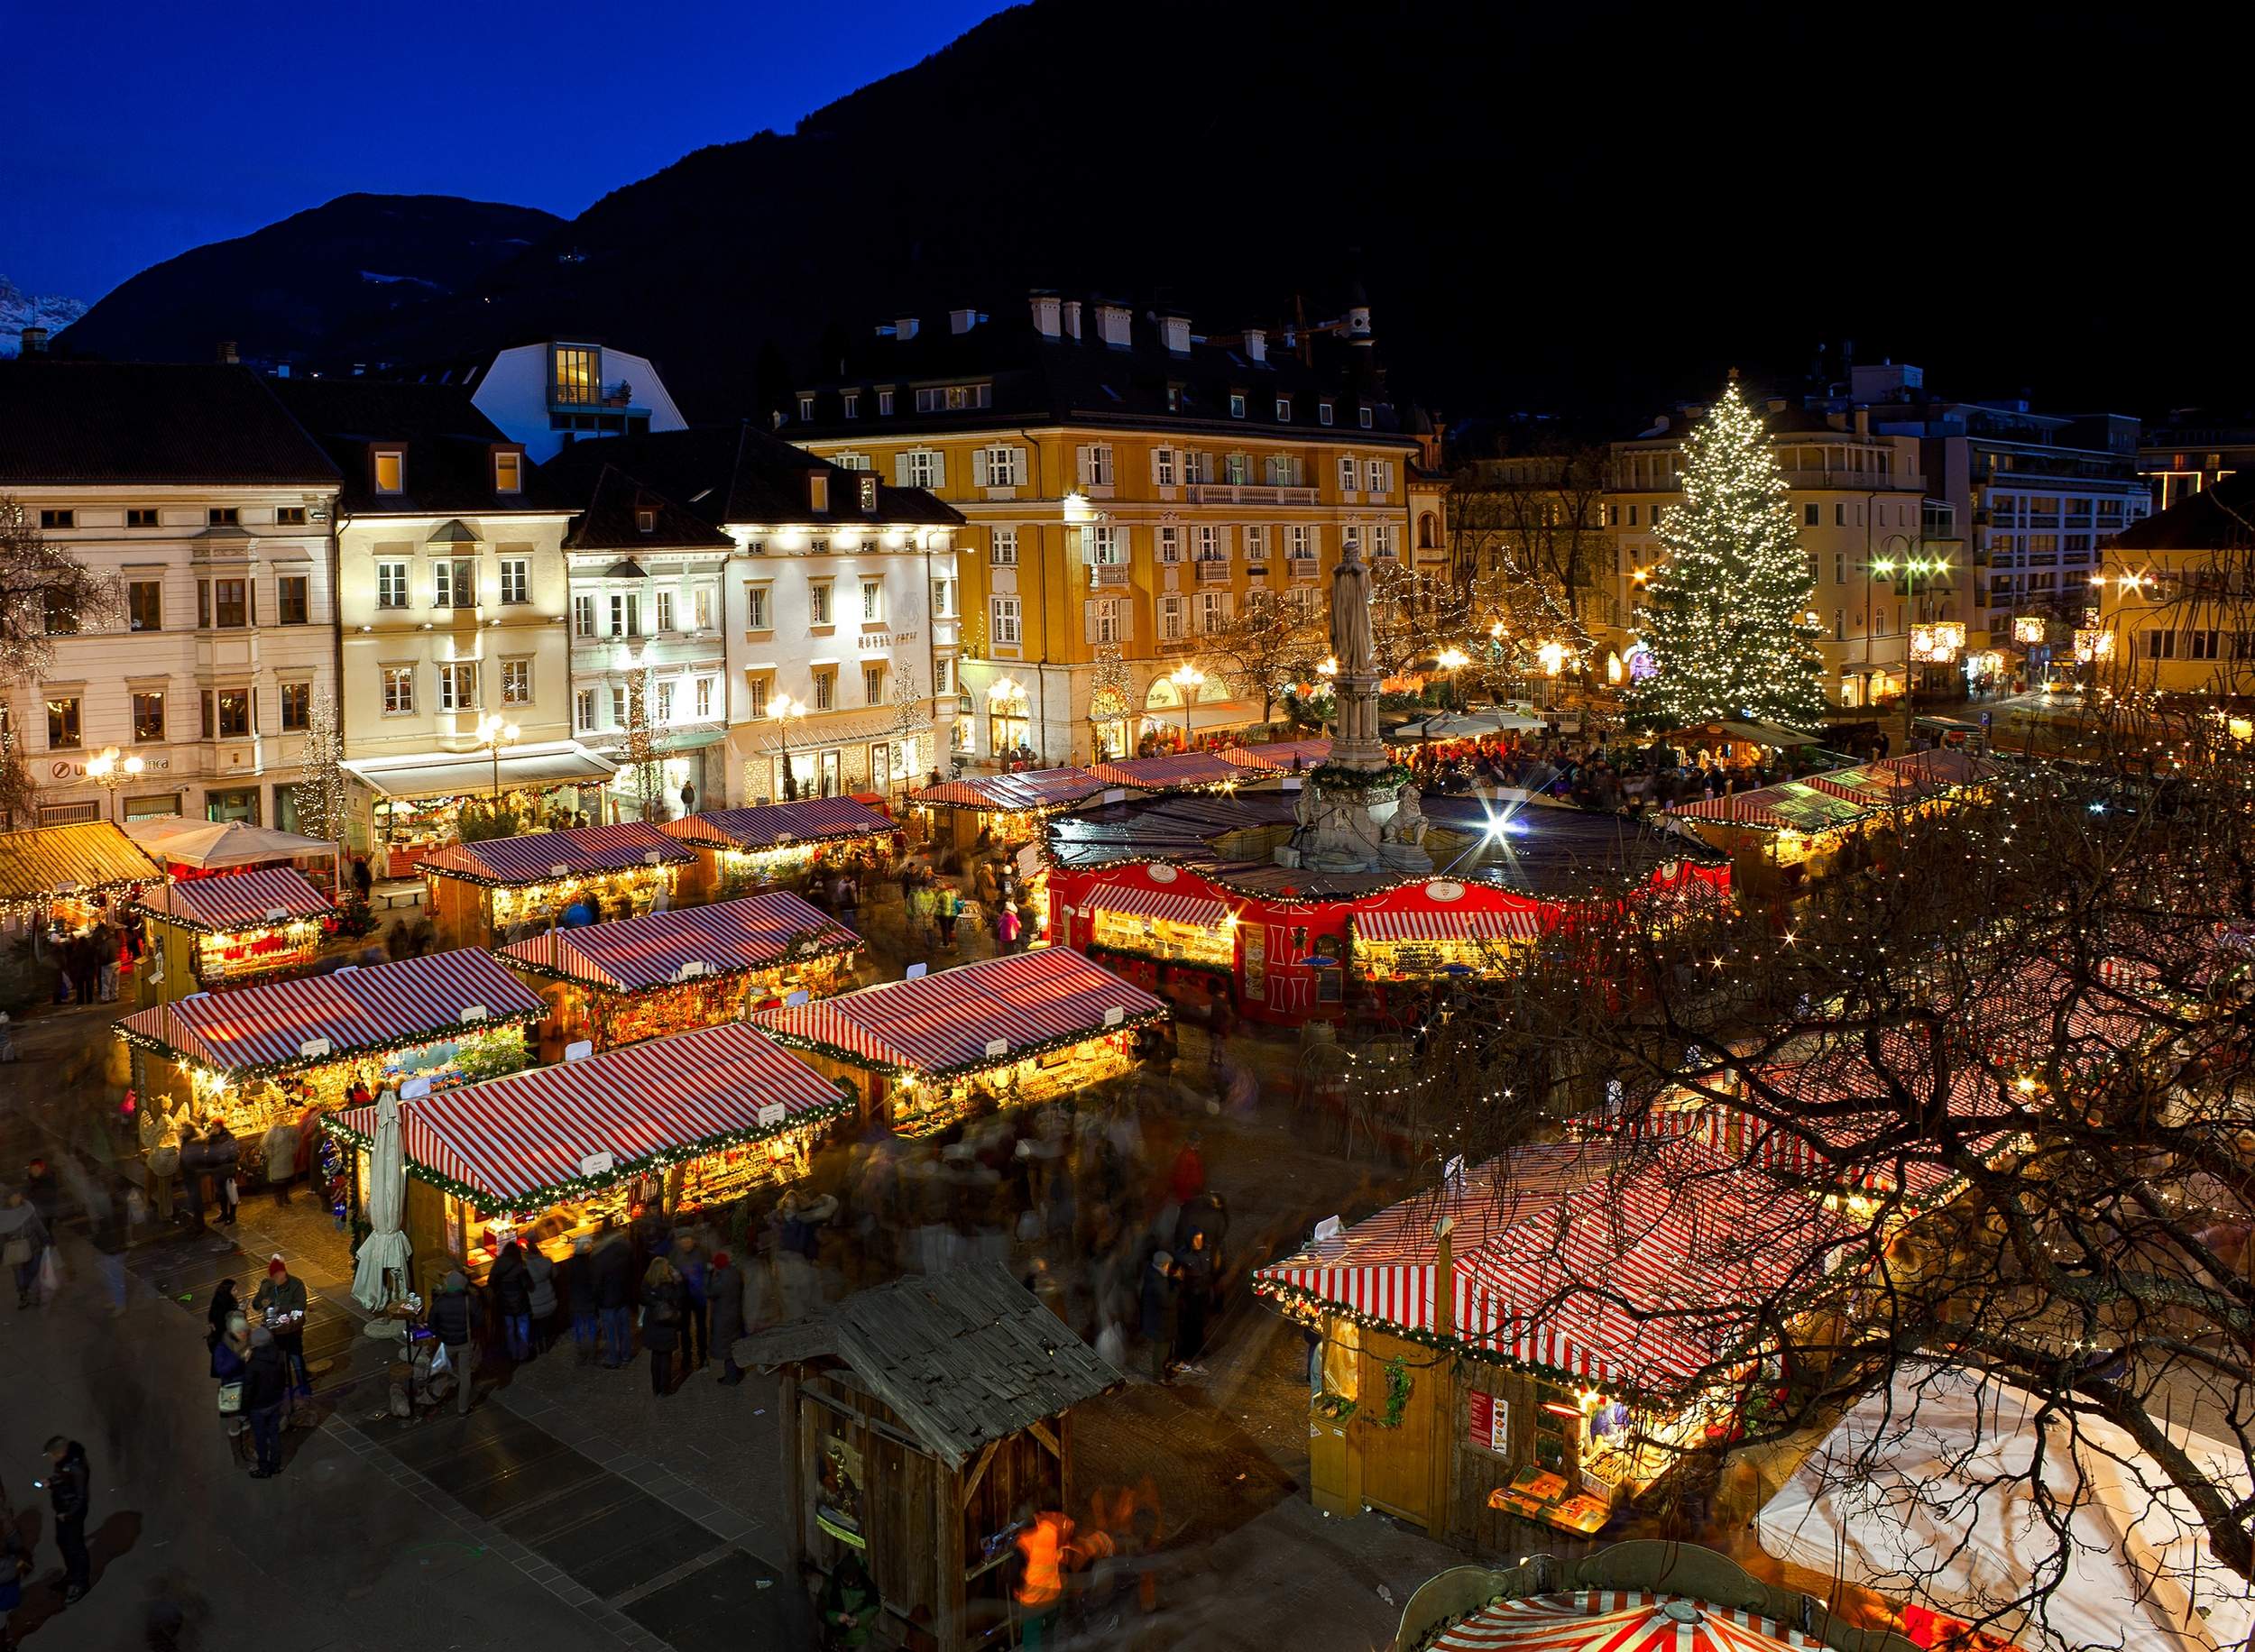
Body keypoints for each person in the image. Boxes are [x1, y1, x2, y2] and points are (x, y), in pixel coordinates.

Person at [253, 1255, 312, 1398]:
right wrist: (262, 1303)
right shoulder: (267, 1285)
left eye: (277, 1275)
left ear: (283, 1273)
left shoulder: (296, 1284)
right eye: (272, 1276)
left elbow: (301, 1305)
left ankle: (304, 1387)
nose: (274, 1279)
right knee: (277, 1363)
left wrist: (280, 1308)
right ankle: (282, 1389)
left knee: (296, 1359)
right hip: (274, 1333)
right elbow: (256, 1304)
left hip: (291, 1332)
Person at [43, 1437, 90, 1602]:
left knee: (75, 1547)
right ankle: (72, 1574)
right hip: (63, 1511)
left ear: (60, 1453)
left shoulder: (77, 1468)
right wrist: (51, 1482)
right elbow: (63, 1477)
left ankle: (81, 1583)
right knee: (63, 1542)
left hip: (71, 1514)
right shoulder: (64, 1463)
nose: (49, 1458)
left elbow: (81, 1498)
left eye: (50, 1455)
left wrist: (68, 1514)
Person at [240, 1326, 290, 1477]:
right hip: (275, 1401)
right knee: (274, 1434)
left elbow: (248, 1390)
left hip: (259, 1406)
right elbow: (283, 1379)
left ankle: (264, 1468)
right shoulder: (278, 1355)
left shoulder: (253, 1364)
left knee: (260, 1438)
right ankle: (276, 1464)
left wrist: (243, 1411)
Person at [428, 1270, 477, 1414]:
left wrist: (440, 1334)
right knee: (465, 1374)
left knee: (442, 1370)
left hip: (447, 1342)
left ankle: (434, 1397)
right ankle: (462, 1408)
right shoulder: (469, 1300)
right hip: (464, 1342)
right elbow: (479, 1319)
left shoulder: (440, 1302)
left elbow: (432, 1324)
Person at [640, 1256, 684, 1397]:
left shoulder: (646, 1284)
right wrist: (679, 1282)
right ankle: (665, 1389)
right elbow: (679, 1299)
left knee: (655, 1356)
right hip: (666, 1326)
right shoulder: (668, 1286)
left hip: (652, 1325)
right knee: (666, 1358)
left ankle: (656, 1388)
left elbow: (643, 1300)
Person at [593, 1225, 635, 1368]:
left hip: (607, 1300)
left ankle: (613, 1358)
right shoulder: (625, 1250)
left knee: (610, 1332)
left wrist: (597, 1301)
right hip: (623, 1297)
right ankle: (626, 1355)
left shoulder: (600, 1257)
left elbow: (597, 1283)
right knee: (625, 1328)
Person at [819, 1550, 878, 1650]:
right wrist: (836, 1617)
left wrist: (858, 1618)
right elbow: (821, 1609)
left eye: (853, 1580)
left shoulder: (866, 1584)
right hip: (836, 1637)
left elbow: (874, 1606)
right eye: (847, 1580)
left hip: (859, 1638)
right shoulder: (831, 1586)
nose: (850, 1583)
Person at [1, 1192, 47, 1310]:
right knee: (19, 1275)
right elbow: (1, 1237)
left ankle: (30, 1289)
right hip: (14, 1249)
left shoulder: (28, 1209)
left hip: (33, 1246)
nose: (17, 1198)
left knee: (34, 1269)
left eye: (18, 1195)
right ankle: (24, 1295)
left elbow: (38, 1226)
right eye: (13, 1196)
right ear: (8, 1199)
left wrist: (46, 1239)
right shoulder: (3, 1215)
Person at [708, 1249, 746, 1385]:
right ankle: (736, 1372)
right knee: (733, 1345)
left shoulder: (721, 1279)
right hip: (735, 1315)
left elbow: (709, 1292)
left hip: (724, 1318)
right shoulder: (735, 1273)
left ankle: (731, 1378)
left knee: (727, 1349)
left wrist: (710, 1274)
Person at [491, 1239, 533, 1362]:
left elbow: (491, 1281)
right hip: (520, 1302)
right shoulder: (520, 1265)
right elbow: (528, 1285)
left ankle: (513, 1354)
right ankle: (523, 1353)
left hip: (505, 1303)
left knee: (510, 1330)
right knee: (523, 1327)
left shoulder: (498, 1264)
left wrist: (498, 1290)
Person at [1138, 1252, 1175, 1384]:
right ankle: (1159, 1376)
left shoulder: (1155, 1275)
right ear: (1164, 1265)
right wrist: (1176, 1287)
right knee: (1162, 1349)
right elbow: (1167, 1301)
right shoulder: (1157, 1282)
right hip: (1160, 1322)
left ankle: (1164, 1370)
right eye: (1168, 1265)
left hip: (1160, 1320)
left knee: (1165, 1346)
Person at [674, 1236, 709, 1372]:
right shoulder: (677, 1255)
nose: (686, 1244)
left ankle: (702, 1356)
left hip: (699, 1297)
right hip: (684, 1298)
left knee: (701, 1328)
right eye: (683, 1241)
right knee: (685, 1330)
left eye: (688, 1241)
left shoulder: (702, 1253)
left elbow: (708, 1271)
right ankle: (686, 1358)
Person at [562, 1236, 598, 1363]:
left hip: (576, 1300)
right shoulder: (591, 1264)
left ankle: (581, 1353)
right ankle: (592, 1350)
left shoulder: (570, 1264)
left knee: (579, 1327)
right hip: (588, 1299)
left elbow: (568, 1282)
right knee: (591, 1325)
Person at [525, 1240, 557, 1354]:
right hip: (550, 1303)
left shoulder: (524, 1268)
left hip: (533, 1306)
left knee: (534, 1325)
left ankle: (536, 1345)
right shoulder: (547, 1261)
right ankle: (544, 1342)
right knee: (544, 1325)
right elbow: (555, 1275)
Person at [206, 1120, 240, 1225]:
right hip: (217, 1170)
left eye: (215, 1127)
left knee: (231, 1192)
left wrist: (221, 1159)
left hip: (227, 1169)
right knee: (221, 1193)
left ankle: (232, 1215)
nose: (213, 1129)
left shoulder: (229, 1137)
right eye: (212, 1127)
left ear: (220, 1127)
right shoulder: (212, 1138)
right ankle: (224, 1214)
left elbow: (233, 1153)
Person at [205, 1278, 241, 1350]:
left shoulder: (218, 1300)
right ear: (227, 1292)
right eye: (234, 1290)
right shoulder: (230, 1305)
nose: (237, 1292)